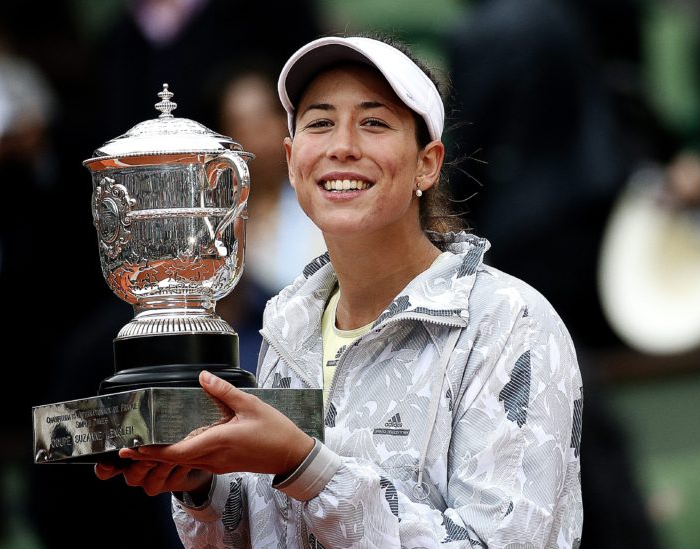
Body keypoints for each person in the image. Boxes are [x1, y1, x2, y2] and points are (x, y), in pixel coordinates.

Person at [95, 35, 584, 548]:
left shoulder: (508, 319)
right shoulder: (289, 322)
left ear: (428, 163)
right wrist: (203, 489)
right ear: (291, 159)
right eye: (320, 122)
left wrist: (305, 467)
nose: (341, 145)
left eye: (373, 122)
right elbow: (267, 532)